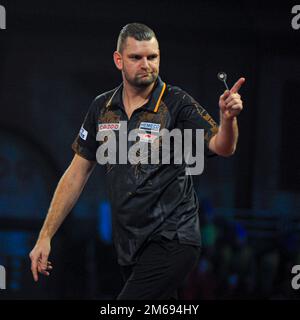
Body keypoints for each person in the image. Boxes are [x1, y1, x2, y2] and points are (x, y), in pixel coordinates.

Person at [29, 22, 245, 300]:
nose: (147, 64)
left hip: (173, 238)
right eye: (136, 57)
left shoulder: (177, 102)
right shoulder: (102, 107)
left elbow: (222, 146)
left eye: (152, 57)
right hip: (129, 246)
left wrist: (229, 119)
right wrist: (46, 235)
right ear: (118, 60)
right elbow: (76, 173)